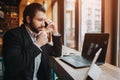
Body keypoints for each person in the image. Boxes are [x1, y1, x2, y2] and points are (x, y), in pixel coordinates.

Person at [2, 3, 62, 80]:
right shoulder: (12, 35)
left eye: (44, 20)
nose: (43, 24)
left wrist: (55, 32)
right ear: (28, 19)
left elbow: (57, 52)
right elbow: (14, 67)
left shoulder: (39, 35)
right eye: (40, 20)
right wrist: (37, 44)